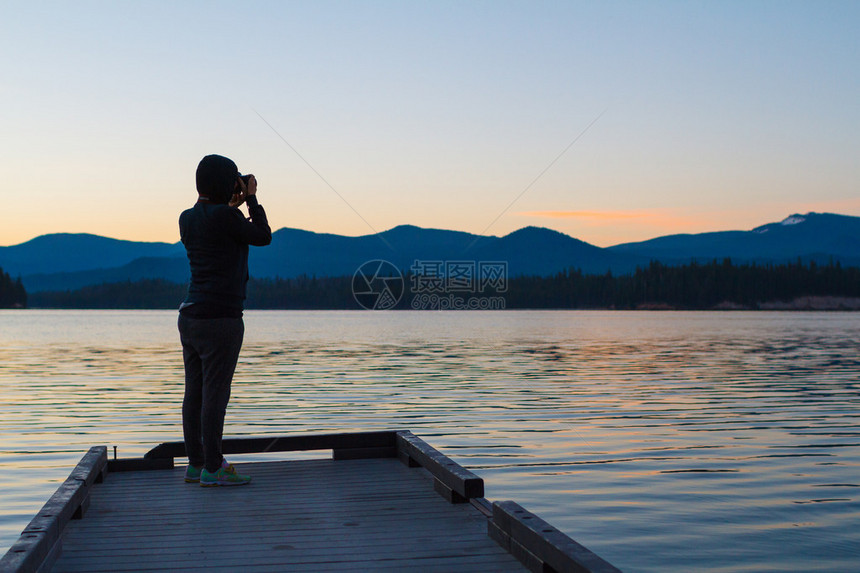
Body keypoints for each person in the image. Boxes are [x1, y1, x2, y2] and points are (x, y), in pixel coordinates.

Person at [177, 154, 272, 486]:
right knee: (216, 393)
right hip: (221, 319)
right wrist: (252, 199)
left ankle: (195, 464)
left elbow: (209, 211)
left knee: (195, 393)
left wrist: (228, 199)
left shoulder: (187, 218)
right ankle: (214, 468)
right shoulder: (227, 218)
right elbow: (262, 235)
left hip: (190, 316)